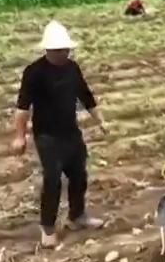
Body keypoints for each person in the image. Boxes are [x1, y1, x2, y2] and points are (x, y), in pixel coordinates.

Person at [11, 21, 108, 247]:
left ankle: (77, 216)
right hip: (47, 136)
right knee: (52, 180)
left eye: (65, 50)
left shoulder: (72, 68)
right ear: (48, 50)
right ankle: (48, 227)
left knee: (79, 176)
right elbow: (23, 107)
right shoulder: (34, 72)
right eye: (58, 50)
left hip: (71, 132)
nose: (63, 53)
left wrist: (101, 121)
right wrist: (20, 136)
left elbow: (86, 96)